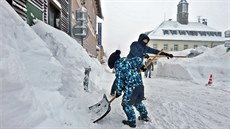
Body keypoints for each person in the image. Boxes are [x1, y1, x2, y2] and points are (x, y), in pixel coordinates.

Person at [108, 56, 150, 128]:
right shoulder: (128, 60)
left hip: (131, 88)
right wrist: (142, 66)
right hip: (140, 86)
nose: (114, 69)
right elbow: (138, 59)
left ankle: (131, 121)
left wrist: (118, 92)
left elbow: (119, 81)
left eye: (113, 68)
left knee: (126, 104)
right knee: (137, 102)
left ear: (114, 64)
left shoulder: (118, 67)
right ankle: (144, 116)